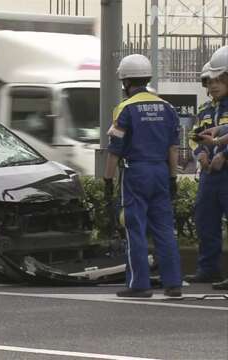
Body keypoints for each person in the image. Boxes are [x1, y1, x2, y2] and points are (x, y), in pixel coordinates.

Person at [103, 54, 182, 298]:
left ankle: (139, 284)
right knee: (164, 229)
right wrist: (172, 178)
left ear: (126, 82)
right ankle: (173, 284)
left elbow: (114, 150)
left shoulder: (125, 108)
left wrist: (107, 181)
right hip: (160, 171)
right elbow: (173, 148)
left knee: (134, 228)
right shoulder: (167, 108)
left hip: (136, 172)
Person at [185, 54, 227, 285]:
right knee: (205, 221)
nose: (213, 85)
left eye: (218, 80)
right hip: (209, 175)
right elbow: (194, 138)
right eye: (209, 81)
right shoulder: (204, 110)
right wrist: (199, 154)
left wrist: (224, 155)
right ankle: (208, 269)